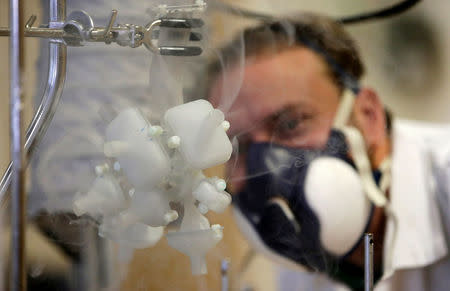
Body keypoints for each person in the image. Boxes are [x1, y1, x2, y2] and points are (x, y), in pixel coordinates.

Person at [207, 13, 450, 291]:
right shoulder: (300, 256)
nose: (264, 168)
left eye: (290, 124)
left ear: (368, 115)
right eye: (237, 146)